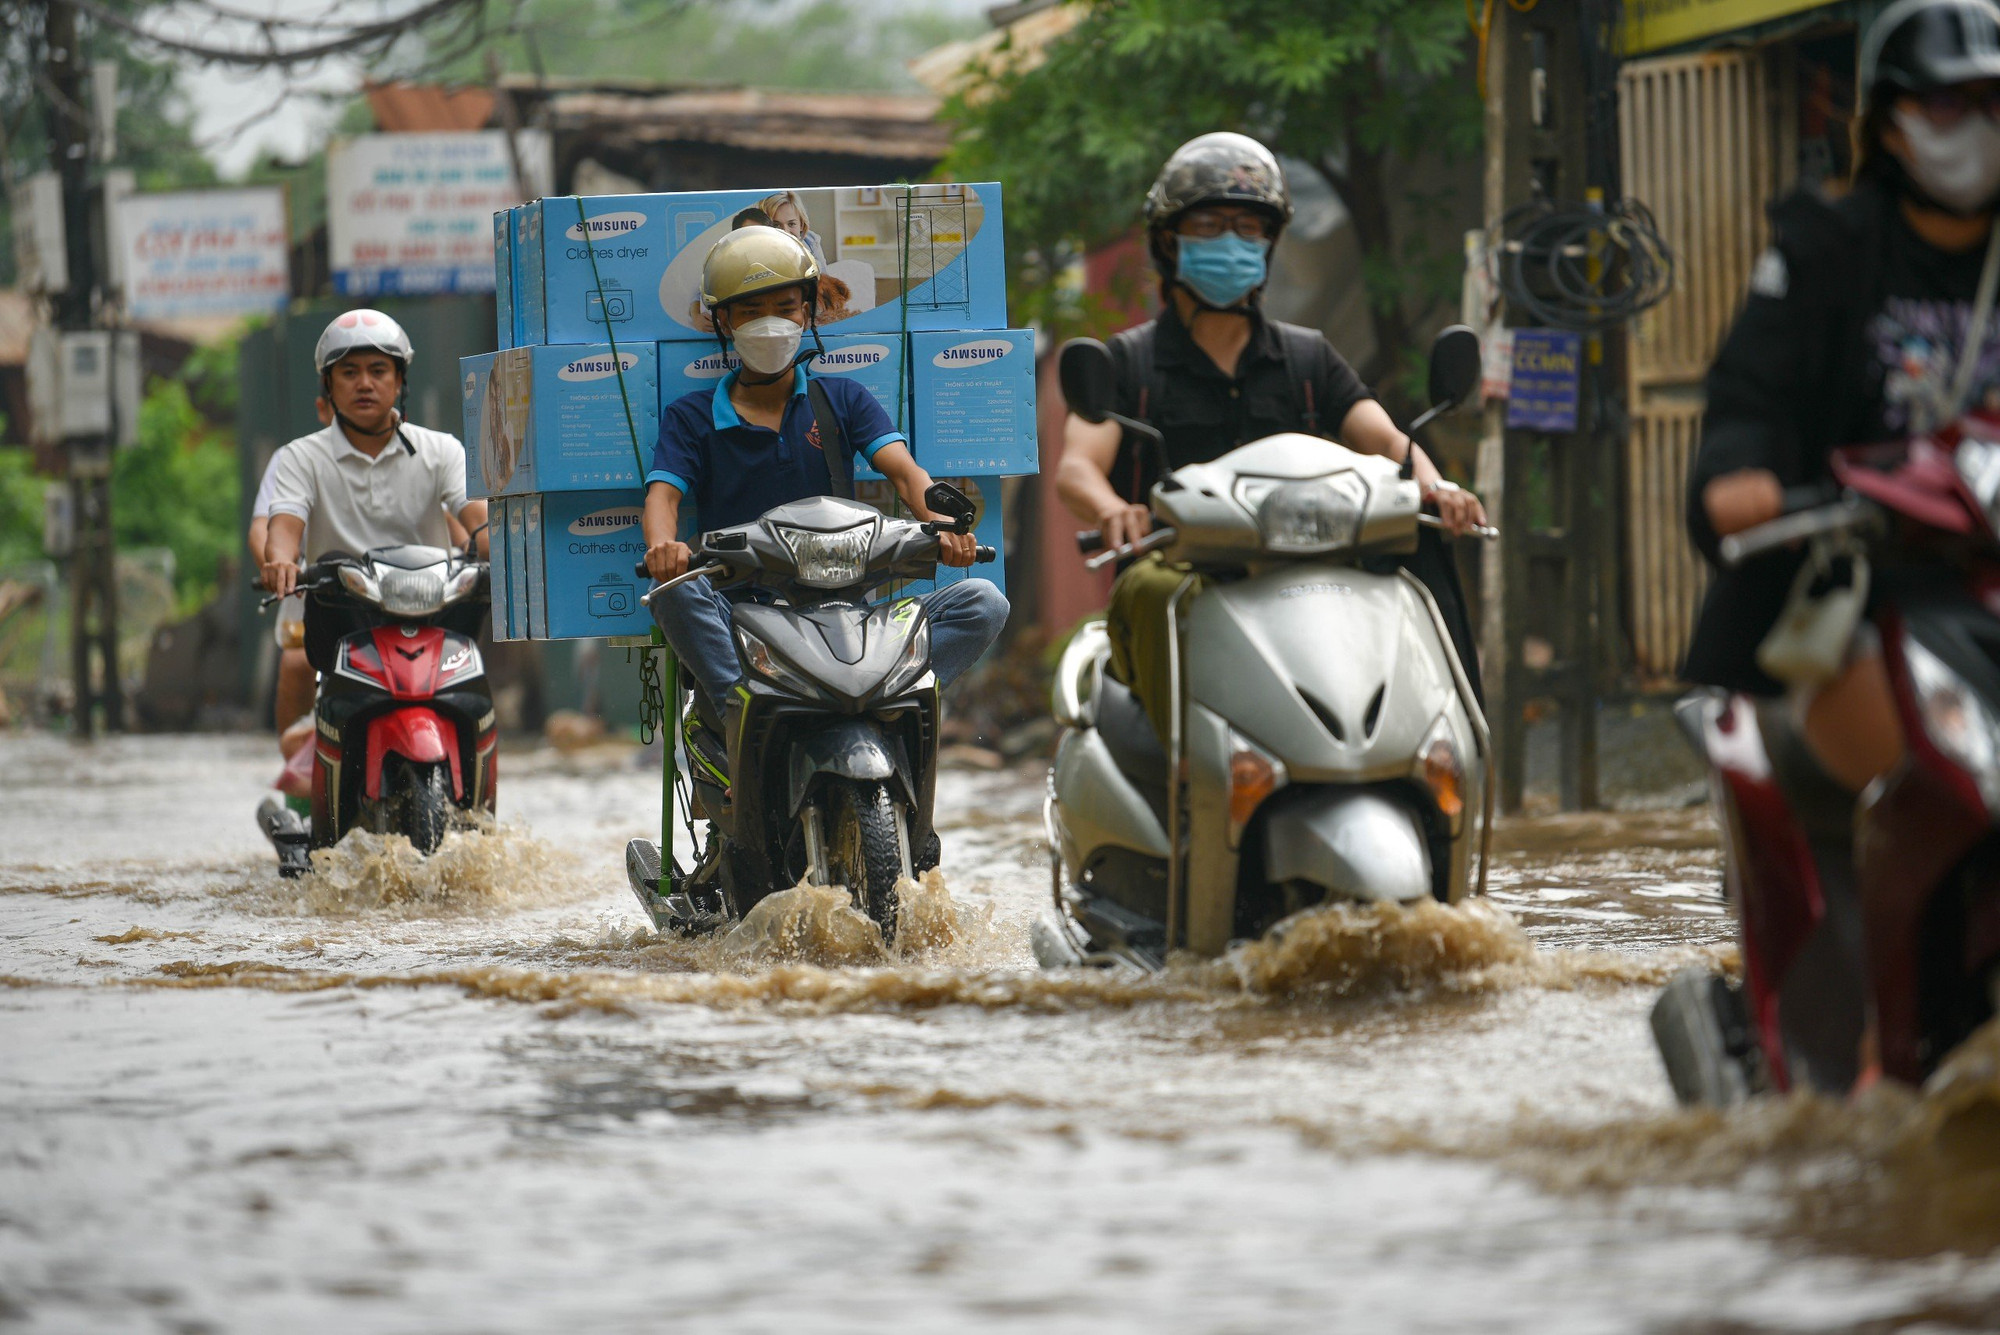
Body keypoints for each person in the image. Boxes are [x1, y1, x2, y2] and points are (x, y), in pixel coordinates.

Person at [1054, 131, 1488, 741]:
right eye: (1208, 225)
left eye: (1249, 228)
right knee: (1151, 595)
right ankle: (1178, 785)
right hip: (1180, 576)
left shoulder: (1308, 358)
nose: (1231, 242)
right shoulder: (1129, 363)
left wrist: (1436, 486)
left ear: (1270, 244)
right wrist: (1113, 510)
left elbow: (1391, 444)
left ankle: (1445, 745)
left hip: (1311, 573)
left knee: (1410, 573)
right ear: (1166, 242)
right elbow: (1077, 468)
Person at [1685, 0, 2000, 795]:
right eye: (1945, 103)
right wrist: (1738, 474)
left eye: (1995, 104)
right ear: (1890, 123)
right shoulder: (1828, 251)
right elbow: (1750, 394)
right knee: (1918, 794)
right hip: (1865, 575)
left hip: (1989, 571)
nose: (1977, 126)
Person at [642, 225, 1008, 736]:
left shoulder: (843, 398)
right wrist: (664, 548)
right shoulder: (692, 416)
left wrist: (941, 526)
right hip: (744, 609)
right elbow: (664, 497)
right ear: (723, 320)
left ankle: (895, 707)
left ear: (807, 312)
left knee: (984, 603)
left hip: (847, 604)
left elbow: (905, 473)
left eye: (785, 308)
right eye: (751, 311)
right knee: (673, 593)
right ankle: (743, 720)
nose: (770, 323)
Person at [260, 310, 490, 668]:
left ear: (399, 381)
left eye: (378, 371)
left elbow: (480, 523)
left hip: (433, 617)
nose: (364, 383)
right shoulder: (300, 456)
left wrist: (507, 556)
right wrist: (281, 562)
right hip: (343, 626)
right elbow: (285, 527)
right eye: (349, 373)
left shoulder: (442, 449)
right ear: (328, 385)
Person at [758, 190, 829, 269]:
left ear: (801, 225)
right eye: (776, 225)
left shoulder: (811, 241)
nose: (785, 232)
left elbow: (826, 276)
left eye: (791, 224)